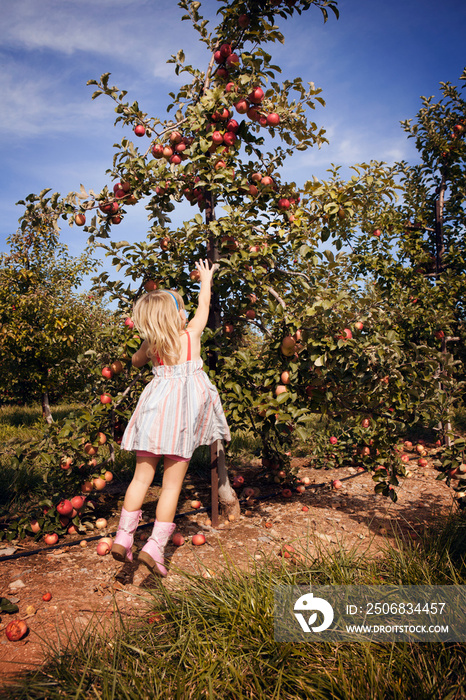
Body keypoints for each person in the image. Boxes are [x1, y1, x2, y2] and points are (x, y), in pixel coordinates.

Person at [111, 260, 230, 576]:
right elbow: (204, 304)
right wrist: (206, 279)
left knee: (140, 479)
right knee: (170, 487)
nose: (185, 311)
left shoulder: (153, 344)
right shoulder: (191, 335)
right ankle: (154, 546)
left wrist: (146, 342)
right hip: (180, 425)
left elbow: (136, 362)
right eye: (180, 308)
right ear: (177, 316)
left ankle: (123, 536)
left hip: (153, 418)